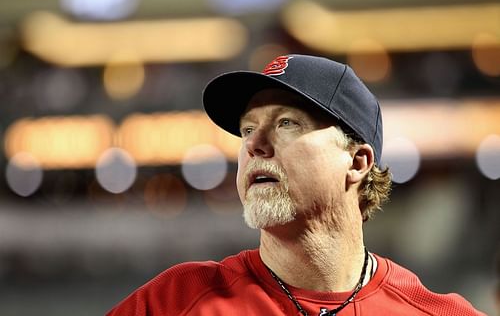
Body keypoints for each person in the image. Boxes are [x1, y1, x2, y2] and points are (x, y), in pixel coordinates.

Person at [107, 54, 485, 316]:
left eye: (287, 123)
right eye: (248, 129)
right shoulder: (174, 301)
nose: (254, 145)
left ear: (356, 162)